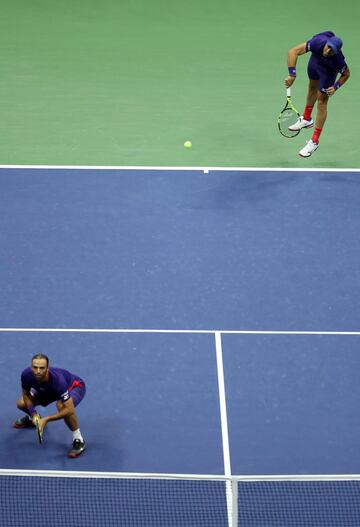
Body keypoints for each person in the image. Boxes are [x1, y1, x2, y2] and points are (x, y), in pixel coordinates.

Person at [284, 31, 350, 157]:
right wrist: (292, 74)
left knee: (322, 101)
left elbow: (346, 74)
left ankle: (314, 141)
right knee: (312, 87)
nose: (328, 50)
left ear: (336, 52)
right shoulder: (317, 42)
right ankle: (307, 119)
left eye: (332, 50)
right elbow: (293, 52)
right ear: (326, 43)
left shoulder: (338, 60)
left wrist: (336, 86)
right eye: (328, 46)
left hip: (328, 73)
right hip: (314, 64)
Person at [13, 353, 86, 458]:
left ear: (48, 368)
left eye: (42, 368)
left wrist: (47, 419)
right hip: (48, 391)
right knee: (21, 403)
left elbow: (70, 410)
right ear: (31, 367)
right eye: (35, 367)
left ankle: (78, 438)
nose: (38, 371)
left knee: (62, 406)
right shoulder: (26, 375)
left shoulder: (58, 381)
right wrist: (33, 414)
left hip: (74, 387)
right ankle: (34, 419)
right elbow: (26, 394)